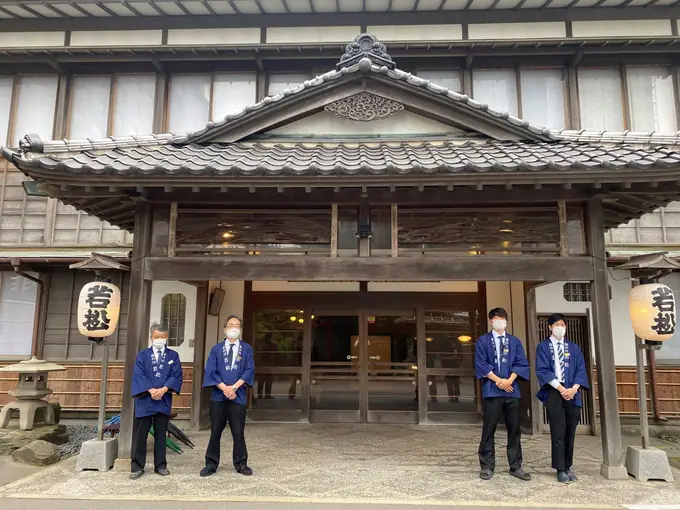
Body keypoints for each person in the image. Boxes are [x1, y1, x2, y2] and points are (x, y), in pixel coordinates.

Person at [475, 307, 531, 481]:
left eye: (503, 318)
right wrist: (498, 380)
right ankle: (486, 465)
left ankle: (515, 466)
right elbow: (481, 364)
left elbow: (522, 363)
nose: (501, 321)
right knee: (489, 428)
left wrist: (509, 381)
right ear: (491, 321)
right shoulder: (483, 341)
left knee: (514, 429)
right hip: (492, 391)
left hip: (511, 391)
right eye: (497, 318)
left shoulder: (514, 341)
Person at [536, 313, 590, 483]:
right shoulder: (543, 347)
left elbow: (581, 369)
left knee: (570, 432)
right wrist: (560, 388)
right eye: (557, 324)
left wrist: (573, 388)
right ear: (550, 327)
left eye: (563, 324)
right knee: (558, 431)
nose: (561, 327)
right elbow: (543, 370)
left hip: (573, 393)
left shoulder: (573, 347)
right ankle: (560, 468)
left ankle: (568, 466)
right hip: (555, 392)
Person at [200, 315, 255, 477]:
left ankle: (241, 463)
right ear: (225, 329)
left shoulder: (246, 349)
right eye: (231, 325)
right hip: (219, 395)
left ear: (240, 330)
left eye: (237, 326)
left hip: (238, 396)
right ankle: (211, 463)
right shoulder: (216, 349)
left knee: (238, 432)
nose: (233, 328)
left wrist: (234, 388)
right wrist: (225, 388)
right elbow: (210, 370)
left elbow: (249, 370)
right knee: (215, 430)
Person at [130, 323, 183, 480]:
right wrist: (151, 390)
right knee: (141, 435)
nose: (159, 339)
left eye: (163, 337)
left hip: (163, 399)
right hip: (145, 399)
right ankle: (137, 466)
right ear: (151, 337)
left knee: (161, 435)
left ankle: (160, 465)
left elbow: (176, 374)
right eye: (156, 337)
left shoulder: (173, 356)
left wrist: (164, 389)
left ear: (167, 338)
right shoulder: (142, 355)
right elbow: (139, 375)